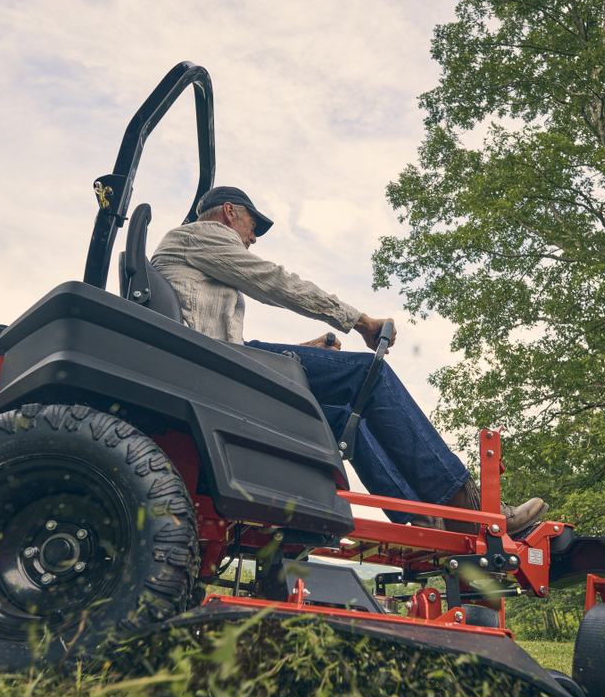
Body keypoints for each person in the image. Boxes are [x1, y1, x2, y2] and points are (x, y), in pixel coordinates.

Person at [150, 185, 546, 534]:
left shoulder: (191, 254)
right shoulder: (203, 236)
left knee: (337, 417)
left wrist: (304, 350)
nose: (253, 239)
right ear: (230, 212)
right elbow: (275, 281)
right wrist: (359, 320)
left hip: (216, 363)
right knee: (366, 374)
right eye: (253, 226)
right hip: (215, 365)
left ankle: (424, 521)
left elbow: (229, 340)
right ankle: (468, 509)